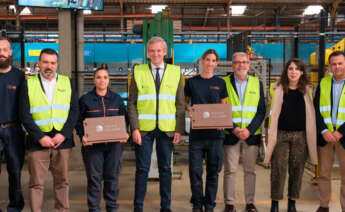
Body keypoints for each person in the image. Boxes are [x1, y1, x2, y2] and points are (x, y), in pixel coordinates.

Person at [128, 36, 185, 212]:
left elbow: (180, 103)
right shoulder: (138, 71)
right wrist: (135, 128)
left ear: (165, 52)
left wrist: (178, 129)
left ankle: (165, 207)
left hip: (167, 129)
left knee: (166, 169)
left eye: (159, 50)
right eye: (152, 50)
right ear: (147, 53)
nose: (156, 54)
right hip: (144, 130)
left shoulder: (176, 72)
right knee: (142, 169)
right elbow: (131, 103)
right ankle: (138, 207)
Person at [19, 48, 79, 212]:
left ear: (57, 64)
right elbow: (24, 114)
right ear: (39, 63)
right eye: (45, 62)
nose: (49, 66)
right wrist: (40, 137)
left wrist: (64, 134)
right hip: (37, 141)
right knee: (36, 183)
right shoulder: (28, 84)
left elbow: (74, 111)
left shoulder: (67, 82)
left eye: (52, 63)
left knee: (62, 181)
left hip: (62, 141)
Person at [264, 58, 317, 212]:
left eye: (297, 69)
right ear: (286, 71)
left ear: (301, 72)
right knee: (278, 169)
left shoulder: (308, 90)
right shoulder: (277, 88)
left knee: (297, 169)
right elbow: (269, 113)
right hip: (281, 135)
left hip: (300, 136)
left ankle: (292, 202)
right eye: (290, 69)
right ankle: (275, 202)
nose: (293, 72)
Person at [76, 68, 129, 212]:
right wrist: (82, 136)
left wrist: (125, 133)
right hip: (92, 147)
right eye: (98, 77)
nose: (102, 80)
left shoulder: (117, 99)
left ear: (109, 79)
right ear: (94, 80)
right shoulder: (85, 99)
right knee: (94, 178)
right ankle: (94, 208)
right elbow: (78, 121)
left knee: (112, 177)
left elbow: (125, 119)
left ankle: (112, 207)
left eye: (105, 77)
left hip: (114, 146)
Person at [184, 49, 228, 212]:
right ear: (202, 61)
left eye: (213, 60)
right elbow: (185, 103)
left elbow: (224, 106)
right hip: (197, 134)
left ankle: (209, 204)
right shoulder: (192, 82)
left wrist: (222, 120)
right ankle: (197, 204)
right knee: (195, 171)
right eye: (207, 59)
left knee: (213, 171)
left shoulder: (221, 83)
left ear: (216, 63)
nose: (210, 63)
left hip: (215, 135)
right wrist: (191, 109)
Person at [223, 52, 266, 212]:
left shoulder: (257, 83)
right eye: (237, 62)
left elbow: (261, 111)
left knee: (250, 171)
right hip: (231, 134)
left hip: (250, 135)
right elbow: (221, 110)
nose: (241, 65)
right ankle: (229, 203)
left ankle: (250, 203)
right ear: (232, 65)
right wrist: (233, 128)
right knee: (230, 171)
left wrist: (249, 130)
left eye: (244, 62)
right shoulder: (224, 83)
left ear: (249, 65)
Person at [314, 51, 345, 212]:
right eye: (334, 64)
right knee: (324, 173)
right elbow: (316, 109)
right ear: (329, 66)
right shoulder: (323, 83)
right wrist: (324, 130)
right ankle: (324, 205)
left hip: (344, 136)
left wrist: (341, 132)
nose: (337, 66)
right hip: (325, 136)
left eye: (340, 63)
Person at [0, 37, 25, 212]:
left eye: (4, 49)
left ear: (10, 52)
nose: (1, 53)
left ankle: (15, 206)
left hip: (14, 130)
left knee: (15, 171)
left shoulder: (19, 77)